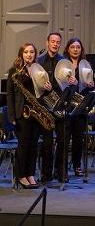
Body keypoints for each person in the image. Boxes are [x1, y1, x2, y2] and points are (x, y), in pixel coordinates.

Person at [7, 43, 41, 189]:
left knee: (33, 146)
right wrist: (12, 116)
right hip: (22, 113)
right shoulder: (14, 71)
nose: (29, 54)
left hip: (35, 113)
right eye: (26, 52)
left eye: (32, 52)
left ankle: (30, 174)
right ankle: (21, 175)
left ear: (35, 54)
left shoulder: (38, 70)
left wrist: (47, 87)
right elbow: (10, 95)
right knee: (23, 146)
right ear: (21, 54)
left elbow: (41, 93)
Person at [62, 37, 94, 177]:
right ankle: (62, 168)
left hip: (81, 107)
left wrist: (90, 85)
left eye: (78, 47)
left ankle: (76, 165)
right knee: (64, 138)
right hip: (67, 105)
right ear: (68, 49)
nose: (75, 49)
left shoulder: (86, 65)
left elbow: (89, 84)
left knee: (78, 139)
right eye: (73, 47)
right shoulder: (62, 64)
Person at [37, 32, 65, 183]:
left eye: (58, 42)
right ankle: (46, 174)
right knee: (47, 143)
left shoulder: (63, 61)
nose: (55, 44)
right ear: (47, 42)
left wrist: (71, 80)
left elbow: (66, 84)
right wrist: (43, 87)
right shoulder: (39, 61)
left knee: (62, 141)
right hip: (45, 105)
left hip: (59, 104)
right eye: (52, 41)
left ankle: (60, 173)